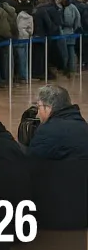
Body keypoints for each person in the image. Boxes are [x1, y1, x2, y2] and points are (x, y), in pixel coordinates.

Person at [26, 84, 88, 229]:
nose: (37, 114)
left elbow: (29, 167)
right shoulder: (84, 127)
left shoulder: (48, 132)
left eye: (39, 107)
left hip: (58, 214)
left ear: (48, 108)